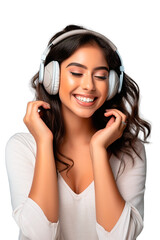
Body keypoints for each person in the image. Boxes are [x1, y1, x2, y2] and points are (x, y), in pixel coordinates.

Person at [5, 24, 151, 240]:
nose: (89, 85)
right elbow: (40, 235)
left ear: (112, 85)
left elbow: (120, 237)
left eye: (101, 76)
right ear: (51, 77)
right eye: (76, 72)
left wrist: (99, 150)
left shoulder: (130, 151)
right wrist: (44, 142)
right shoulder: (23, 147)